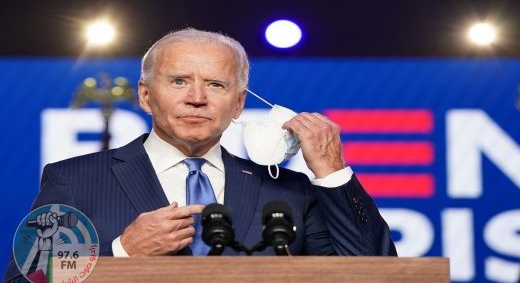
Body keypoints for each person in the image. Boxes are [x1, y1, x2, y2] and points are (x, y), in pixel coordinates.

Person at [5, 28, 396, 282]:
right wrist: (122, 253)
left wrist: (331, 173)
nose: (196, 98)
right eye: (178, 81)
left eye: (215, 84)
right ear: (145, 95)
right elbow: (29, 280)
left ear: (239, 103)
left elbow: (375, 274)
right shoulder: (75, 179)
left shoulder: (288, 192)